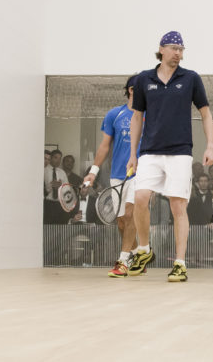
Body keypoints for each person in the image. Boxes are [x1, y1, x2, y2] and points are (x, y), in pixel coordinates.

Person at [127, 31, 213, 283]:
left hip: (179, 152)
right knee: (140, 198)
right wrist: (132, 153)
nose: (178, 53)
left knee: (178, 206)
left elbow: (206, 114)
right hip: (150, 151)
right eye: (173, 48)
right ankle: (144, 250)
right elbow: (137, 117)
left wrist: (209, 145)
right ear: (161, 49)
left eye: (181, 49)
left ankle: (179, 263)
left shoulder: (190, 79)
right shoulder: (144, 79)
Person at [82, 75, 141, 277]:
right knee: (122, 221)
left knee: (131, 214)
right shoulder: (114, 114)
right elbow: (104, 146)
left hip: (140, 175)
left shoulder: (149, 116)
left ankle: (123, 261)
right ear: (131, 90)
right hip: (117, 175)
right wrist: (93, 172)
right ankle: (136, 253)